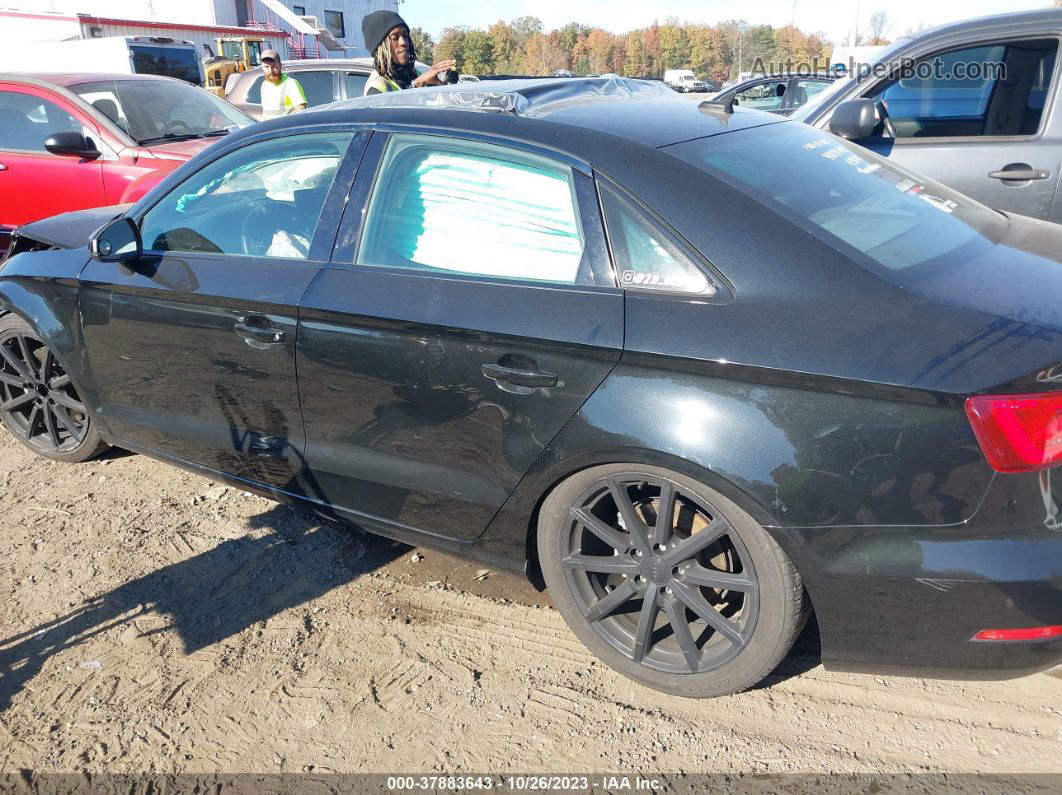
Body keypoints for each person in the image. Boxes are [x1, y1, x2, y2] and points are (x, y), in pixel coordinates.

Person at [360, 10, 456, 95]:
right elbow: (401, 114)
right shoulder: (376, 87)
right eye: (395, 38)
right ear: (380, 47)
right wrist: (416, 86)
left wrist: (441, 87)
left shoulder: (417, 74)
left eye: (405, 36)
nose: (403, 42)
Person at [258, 49, 308, 120]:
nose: (270, 71)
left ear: (280, 66)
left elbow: (301, 109)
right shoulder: (264, 85)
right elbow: (265, 112)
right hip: (269, 129)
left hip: (285, 129)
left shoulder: (290, 84)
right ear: (262, 67)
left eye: (274, 66)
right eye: (266, 67)